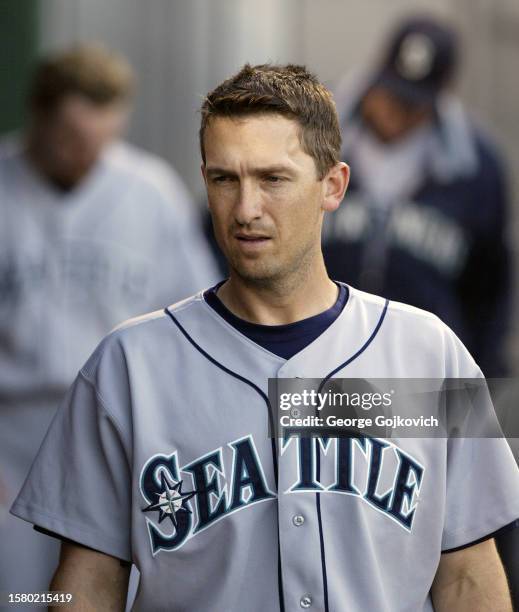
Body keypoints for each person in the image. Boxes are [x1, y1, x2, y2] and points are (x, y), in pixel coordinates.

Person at [11, 63, 519, 611]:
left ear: (333, 186)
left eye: (273, 179)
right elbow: (83, 585)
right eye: (224, 179)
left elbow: (467, 574)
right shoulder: (127, 367)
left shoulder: (426, 353)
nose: (246, 209)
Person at [0, 44, 218, 604]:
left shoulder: (151, 191)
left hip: (118, 422)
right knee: (20, 596)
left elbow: (191, 322)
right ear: (39, 118)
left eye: (102, 137)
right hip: (11, 430)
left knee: (100, 590)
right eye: (73, 138)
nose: (87, 153)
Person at [323, 16, 511, 378]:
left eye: (413, 103)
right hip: (311, 365)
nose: (397, 110)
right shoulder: (310, 136)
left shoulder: (477, 167)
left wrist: (484, 382)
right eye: (392, 94)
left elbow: (490, 292)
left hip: (425, 380)